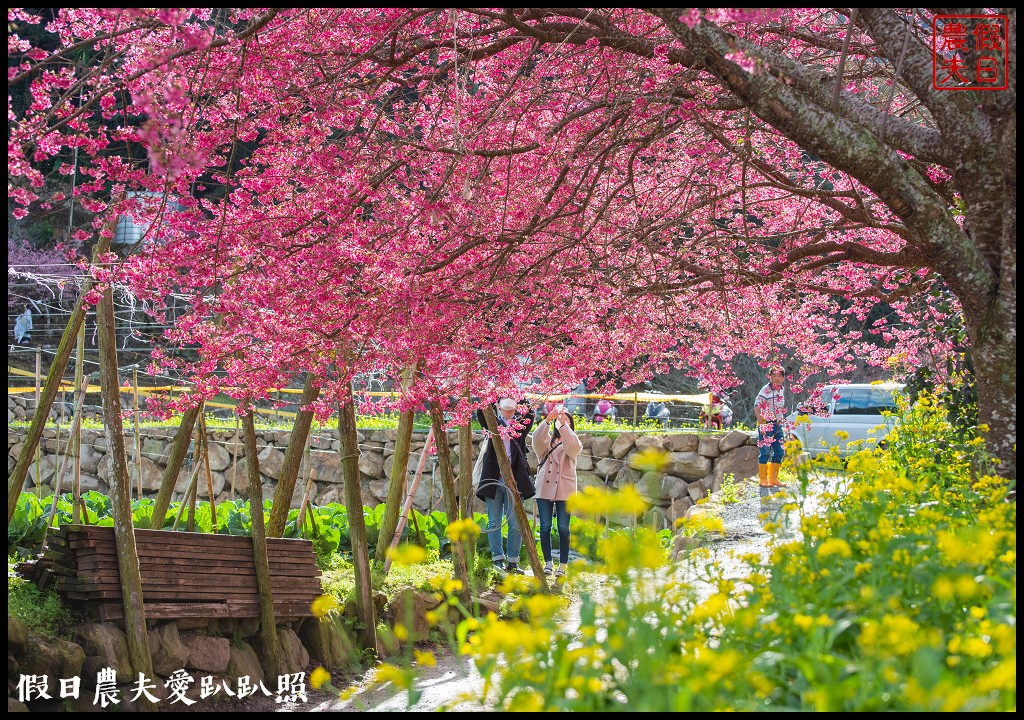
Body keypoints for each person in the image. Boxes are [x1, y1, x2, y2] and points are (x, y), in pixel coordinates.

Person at [476, 398, 535, 574]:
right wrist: (495, 394)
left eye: (511, 410)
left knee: (515, 522)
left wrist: (517, 395)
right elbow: (480, 411)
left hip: (514, 480)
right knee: (494, 521)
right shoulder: (492, 424)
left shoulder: (519, 426)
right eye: (505, 410)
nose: (508, 413)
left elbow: (530, 414)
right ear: (499, 409)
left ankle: (513, 561)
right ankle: (497, 558)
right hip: (493, 478)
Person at [531, 405, 581, 578]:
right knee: (544, 526)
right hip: (545, 487)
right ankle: (548, 562)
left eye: (567, 420)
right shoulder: (546, 444)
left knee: (563, 528)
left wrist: (563, 426)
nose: (562, 421)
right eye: (561, 419)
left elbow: (573, 446)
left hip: (564, 489)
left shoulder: (573, 443)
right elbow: (536, 439)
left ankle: (563, 565)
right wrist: (547, 420)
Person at [755, 366, 788, 487]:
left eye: (779, 376)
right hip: (766, 423)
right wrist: (762, 424)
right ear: (770, 377)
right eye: (774, 376)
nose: (777, 379)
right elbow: (756, 406)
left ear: (783, 378)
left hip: (778, 425)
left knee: (779, 451)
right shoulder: (766, 390)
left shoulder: (781, 389)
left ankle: (774, 479)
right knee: (765, 452)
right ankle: (763, 479)